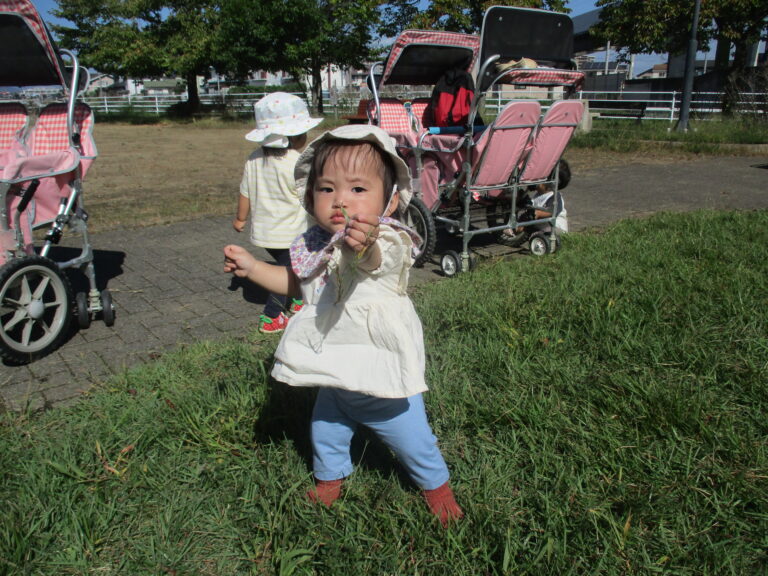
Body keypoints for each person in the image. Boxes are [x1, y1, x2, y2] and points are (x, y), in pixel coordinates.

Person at [223, 125, 463, 526]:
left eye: (357, 190)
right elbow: (297, 286)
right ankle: (329, 482)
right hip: (334, 371)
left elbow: (378, 262)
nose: (340, 201)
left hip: (380, 375)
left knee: (412, 440)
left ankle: (437, 490)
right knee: (326, 429)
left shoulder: (387, 238)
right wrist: (253, 268)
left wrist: (364, 245)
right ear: (310, 194)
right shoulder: (315, 243)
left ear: (387, 203)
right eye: (326, 188)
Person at [233, 92, 322, 333]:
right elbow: (309, 196)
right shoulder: (298, 162)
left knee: (292, 266)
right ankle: (271, 317)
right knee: (287, 270)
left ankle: (296, 298)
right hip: (291, 233)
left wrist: (241, 219)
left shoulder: (253, 159)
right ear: (294, 137)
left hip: (265, 233)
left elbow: (245, 193)